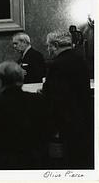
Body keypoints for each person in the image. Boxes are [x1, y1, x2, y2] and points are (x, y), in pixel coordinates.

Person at [42, 30, 93, 169]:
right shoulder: (81, 59)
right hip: (84, 117)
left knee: (67, 161)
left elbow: (55, 98)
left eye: (48, 46)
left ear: (56, 45)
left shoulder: (57, 65)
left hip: (66, 121)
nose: (48, 49)